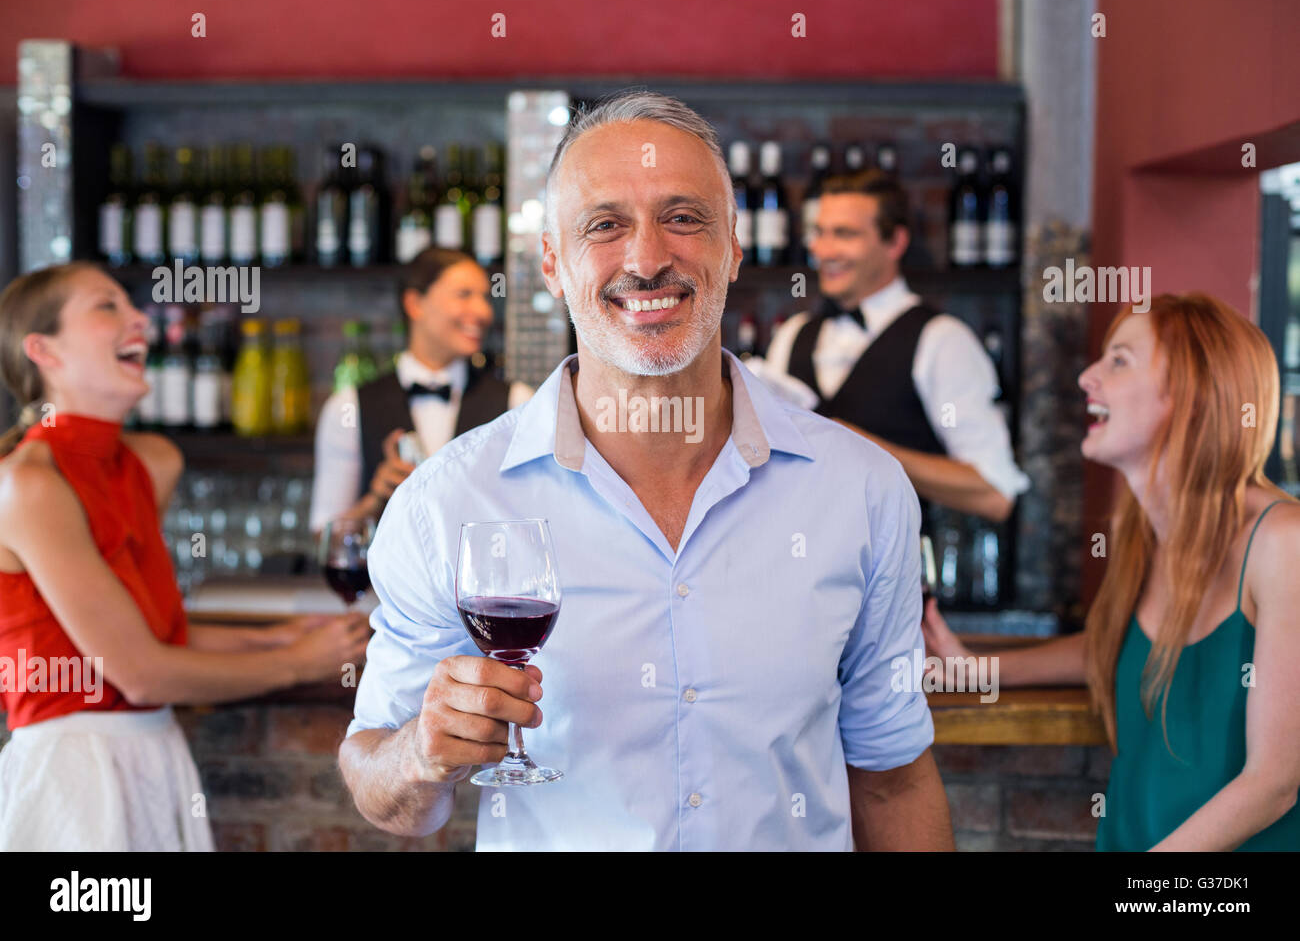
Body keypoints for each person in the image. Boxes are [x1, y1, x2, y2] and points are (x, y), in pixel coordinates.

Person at [339, 91, 953, 851]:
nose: (647, 258)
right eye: (605, 225)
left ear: (734, 246)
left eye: (683, 217)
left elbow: (892, 776)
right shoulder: (448, 501)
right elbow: (378, 783)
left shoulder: (862, 490)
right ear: (554, 266)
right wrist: (420, 754)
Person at [0, 263, 371, 851]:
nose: (138, 318)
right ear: (43, 350)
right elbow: (142, 674)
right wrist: (300, 661)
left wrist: (278, 636)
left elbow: (159, 637)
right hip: (76, 773)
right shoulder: (28, 483)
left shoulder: (150, 464)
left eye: (131, 305)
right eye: (107, 307)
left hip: (155, 751)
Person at [922, 292, 1300, 851]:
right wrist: (975, 670)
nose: (1087, 377)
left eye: (1119, 361)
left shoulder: (1283, 543)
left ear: (1194, 395)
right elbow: (1113, 646)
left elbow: (1274, 783)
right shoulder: (1144, 537)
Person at [761, 170, 1028, 522]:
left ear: (895, 243)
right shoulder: (792, 335)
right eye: (819, 232)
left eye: (844, 234)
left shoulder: (941, 340)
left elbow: (995, 492)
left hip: (902, 570)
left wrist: (869, 450)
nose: (822, 250)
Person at [309, 248, 532, 531]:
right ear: (415, 304)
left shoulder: (517, 402)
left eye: (485, 297)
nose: (483, 312)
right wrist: (375, 500)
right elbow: (325, 538)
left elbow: (533, 519)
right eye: (464, 295)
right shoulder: (347, 408)